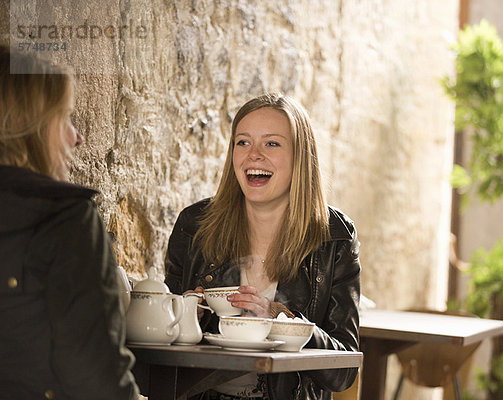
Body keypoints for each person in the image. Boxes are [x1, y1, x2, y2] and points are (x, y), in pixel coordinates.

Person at [165, 93, 361, 399]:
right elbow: (162, 349)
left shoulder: (333, 237)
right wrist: (184, 316)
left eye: (271, 143)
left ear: (300, 157)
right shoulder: (194, 226)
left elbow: (343, 371)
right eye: (242, 142)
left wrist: (282, 321)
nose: (253, 154)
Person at [0, 46, 139, 399]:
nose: (76, 137)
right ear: (23, 125)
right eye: (64, 118)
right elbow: (97, 379)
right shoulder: (66, 218)